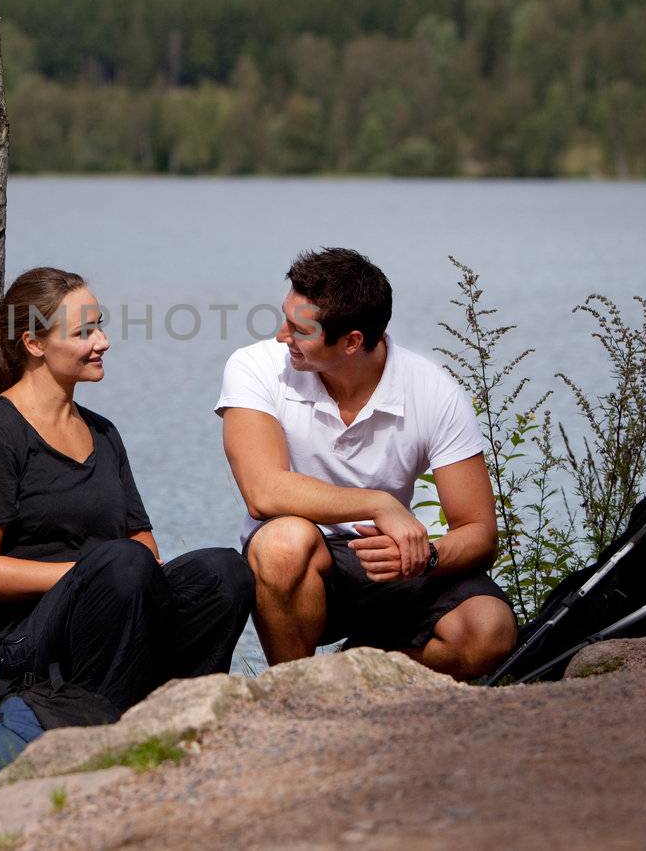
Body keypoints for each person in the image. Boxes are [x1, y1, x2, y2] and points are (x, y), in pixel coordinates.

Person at [0, 267, 254, 711]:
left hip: (119, 606)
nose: (102, 342)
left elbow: (141, 540)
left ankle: (184, 716)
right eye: (84, 331)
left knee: (224, 571)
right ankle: (100, 724)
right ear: (34, 344)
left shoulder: (102, 433)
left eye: (99, 325)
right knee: (121, 563)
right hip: (32, 635)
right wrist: (95, 578)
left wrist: (120, 577)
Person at [216, 247, 517, 680]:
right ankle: (295, 694)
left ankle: (350, 672)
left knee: (489, 632)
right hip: (306, 560)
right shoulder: (255, 367)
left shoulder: (432, 389)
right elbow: (264, 493)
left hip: (389, 559)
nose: (282, 336)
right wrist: (379, 504)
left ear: (352, 341)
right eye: (285, 318)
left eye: (300, 330)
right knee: (281, 542)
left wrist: (426, 557)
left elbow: (480, 533)